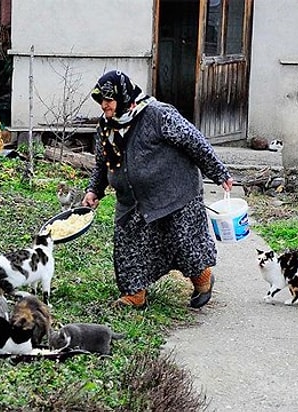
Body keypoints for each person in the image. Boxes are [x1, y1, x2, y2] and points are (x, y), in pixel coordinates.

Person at [82, 70, 233, 309]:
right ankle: (135, 296)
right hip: (133, 200)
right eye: (100, 100)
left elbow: (194, 141)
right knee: (128, 248)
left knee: (185, 244)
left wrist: (218, 172)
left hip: (175, 192)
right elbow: (103, 162)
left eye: (108, 100)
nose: (104, 106)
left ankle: (203, 280)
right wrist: (94, 190)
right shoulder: (106, 127)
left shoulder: (157, 114)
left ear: (123, 97)